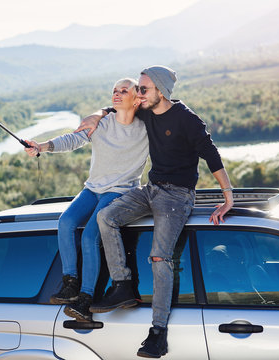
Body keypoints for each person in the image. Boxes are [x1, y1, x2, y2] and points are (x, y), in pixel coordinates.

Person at [76, 65, 233, 358]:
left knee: (159, 257)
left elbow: (211, 154)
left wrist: (228, 197)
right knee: (106, 216)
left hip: (177, 196)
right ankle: (122, 284)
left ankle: (158, 332)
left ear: (161, 90)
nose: (138, 94)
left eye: (143, 89)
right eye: (138, 89)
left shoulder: (187, 119)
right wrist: (97, 114)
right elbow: (114, 108)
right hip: (151, 189)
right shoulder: (146, 110)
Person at [24, 78, 149, 322]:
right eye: (114, 90)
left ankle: (86, 296)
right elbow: (73, 139)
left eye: (124, 91)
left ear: (137, 98)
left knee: (91, 235)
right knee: (66, 223)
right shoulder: (102, 123)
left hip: (120, 191)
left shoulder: (146, 128)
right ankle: (70, 283)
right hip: (93, 189)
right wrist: (42, 146)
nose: (117, 94)